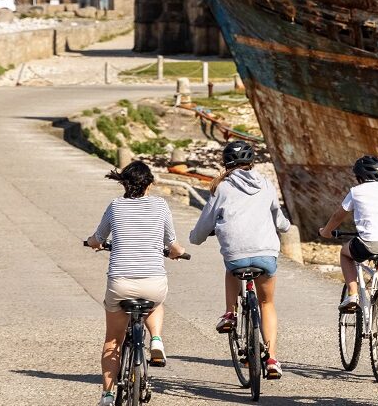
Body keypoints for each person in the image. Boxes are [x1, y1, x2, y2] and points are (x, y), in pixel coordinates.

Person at [187, 139, 290, 381]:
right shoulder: (265, 184)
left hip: (236, 257)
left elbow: (204, 226)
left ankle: (230, 313)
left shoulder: (221, 188)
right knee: (267, 304)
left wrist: (195, 238)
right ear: (251, 163)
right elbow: (279, 219)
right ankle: (272, 358)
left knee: (232, 266)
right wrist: (286, 227)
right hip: (266, 255)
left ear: (225, 164)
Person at [86, 160, 185, 406]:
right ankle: (156, 339)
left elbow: (98, 238)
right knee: (156, 302)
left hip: (120, 283)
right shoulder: (161, 206)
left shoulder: (115, 206)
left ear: (124, 184)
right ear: (149, 184)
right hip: (153, 281)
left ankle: (108, 395)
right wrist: (177, 252)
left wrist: (92, 243)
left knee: (113, 340)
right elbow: (172, 244)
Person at [316, 155, 378, 325]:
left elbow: (338, 215)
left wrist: (326, 232)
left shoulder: (356, 191)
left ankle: (352, 294)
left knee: (345, 253)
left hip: (367, 245)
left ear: (359, 177)